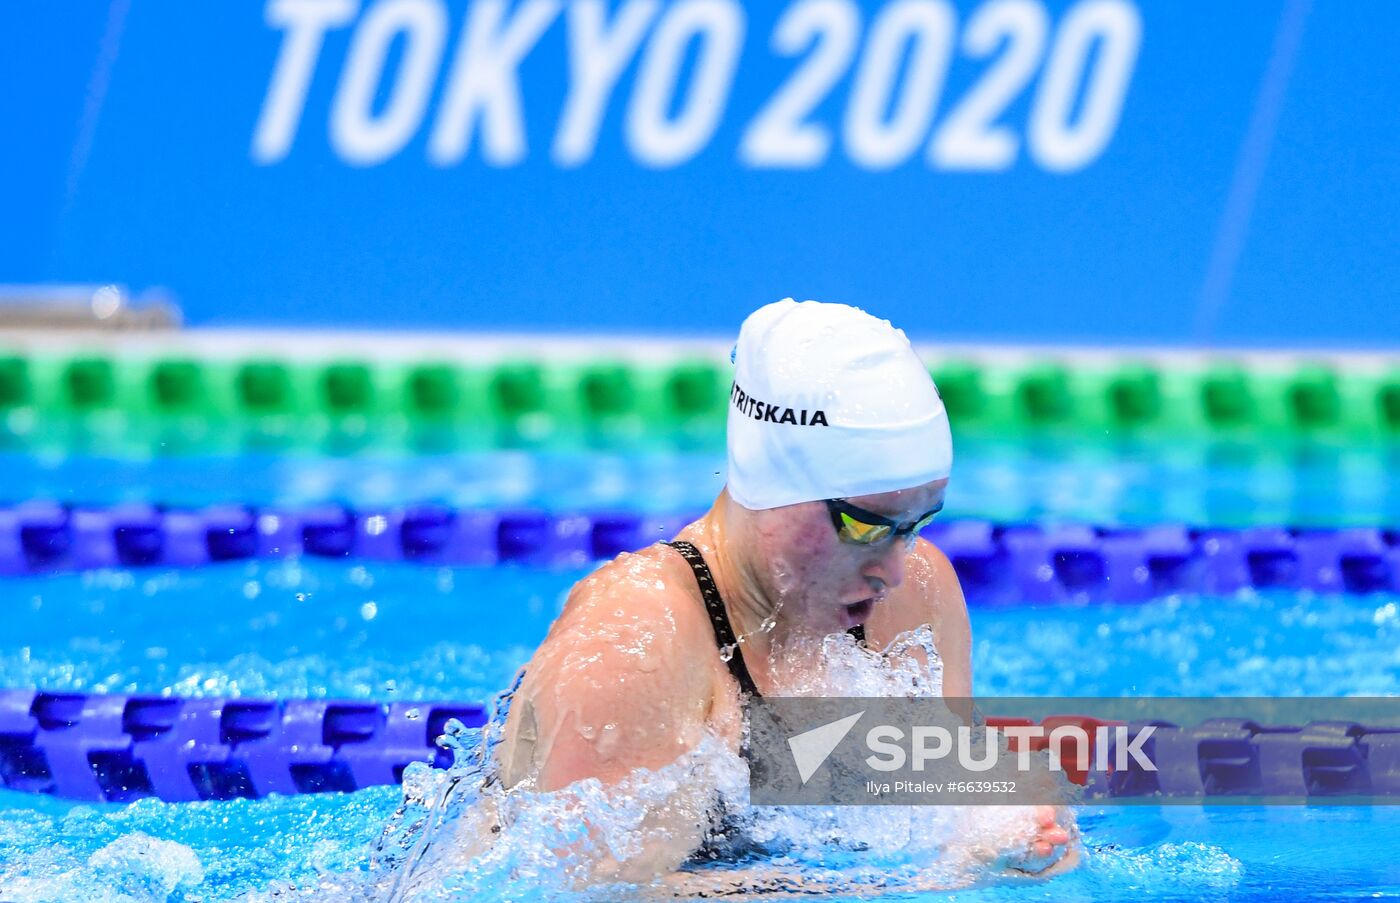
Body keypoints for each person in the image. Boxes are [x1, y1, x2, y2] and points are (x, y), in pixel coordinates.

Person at [489, 299, 1076, 882]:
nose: (894, 570)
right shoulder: (635, 643)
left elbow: (947, 807)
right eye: (865, 526)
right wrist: (921, 883)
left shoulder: (916, 597)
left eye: (914, 526)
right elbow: (591, 894)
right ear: (769, 486)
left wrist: (1015, 835)